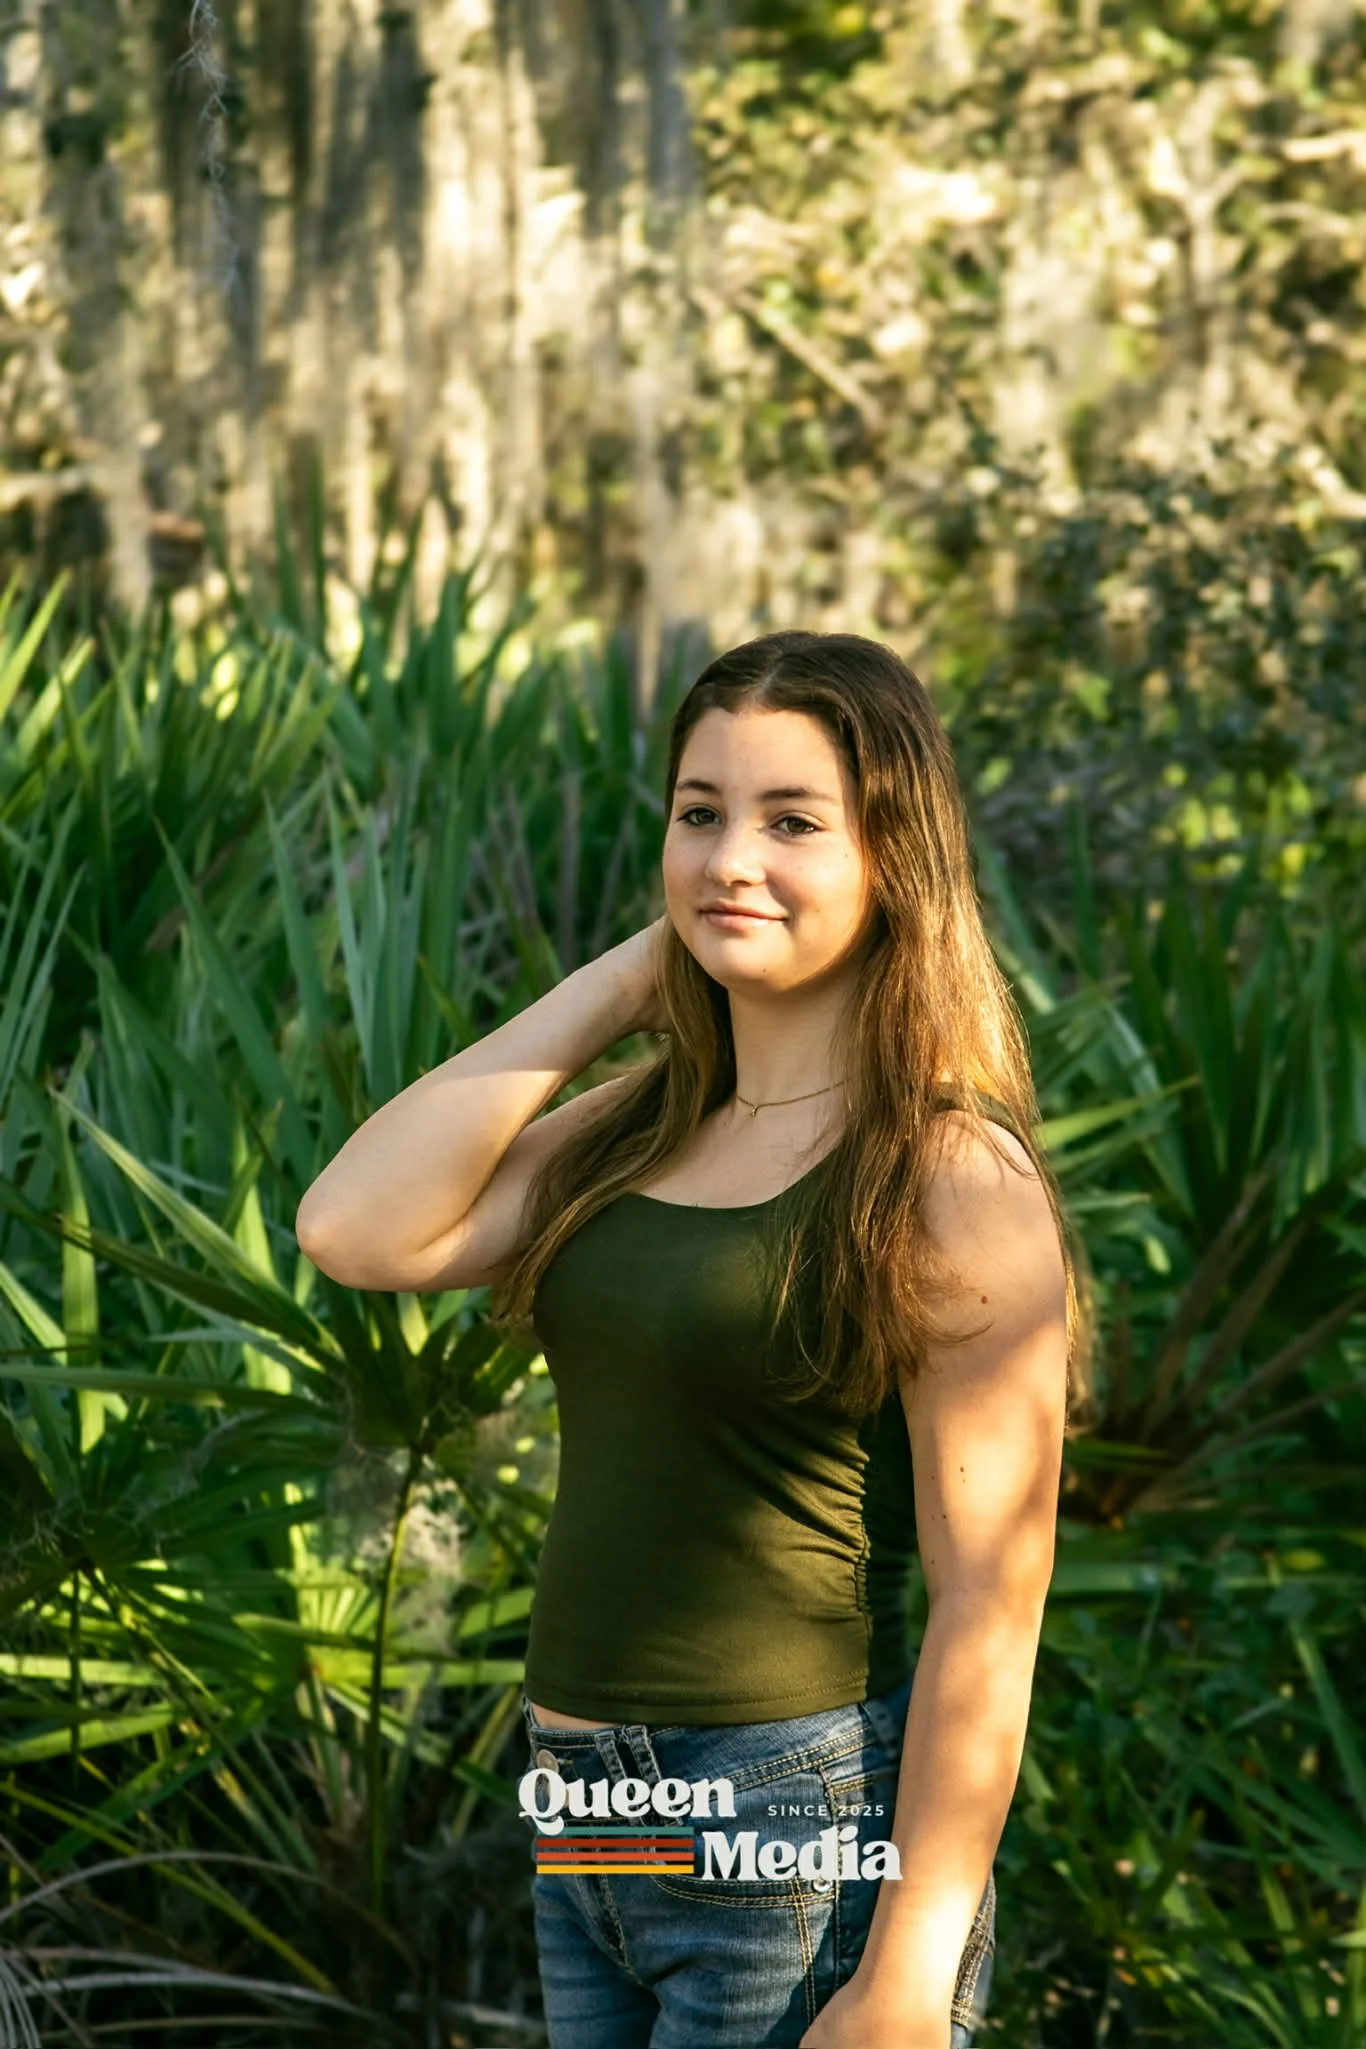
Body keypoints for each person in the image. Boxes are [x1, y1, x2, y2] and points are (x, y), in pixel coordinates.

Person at [296, 629, 1083, 2049]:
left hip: (793, 1808)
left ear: (892, 858)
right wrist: (632, 979)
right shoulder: (648, 1126)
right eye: (699, 813)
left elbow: (991, 1599)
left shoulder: (948, 1176)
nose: (733, 857)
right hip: (593, 1803)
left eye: (793, 823)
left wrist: (908, 1970)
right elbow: (359, 1229)